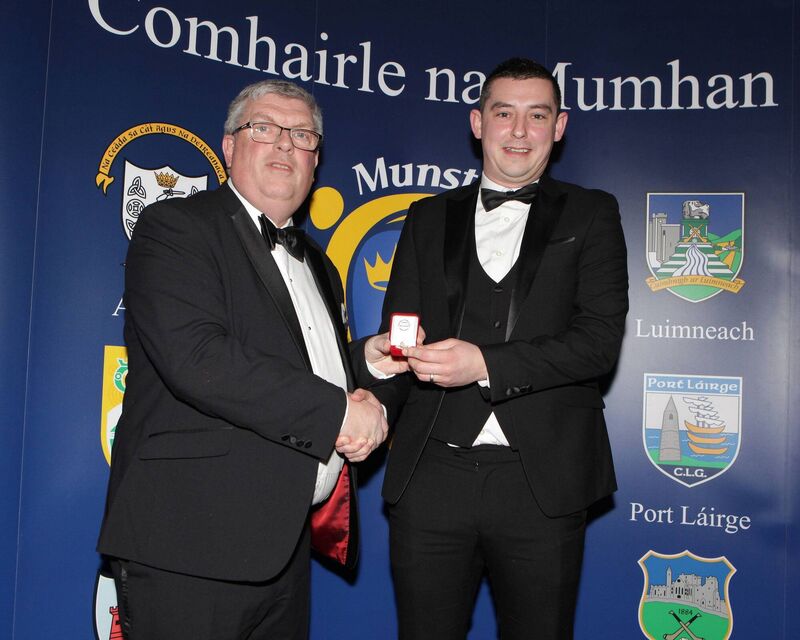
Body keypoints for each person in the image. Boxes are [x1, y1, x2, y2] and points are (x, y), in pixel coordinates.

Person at [97, 79, 388, 640]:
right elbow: (198, 357)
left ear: (316, 159)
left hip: (283, 549)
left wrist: (361, 363)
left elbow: (295, 365)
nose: (284, 144)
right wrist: (336, 413)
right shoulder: (176, 227)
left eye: (301, 135)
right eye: (264, 128)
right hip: (188, 544)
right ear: (229, 147)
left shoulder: (322, 267)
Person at [358, 57, 629, 639]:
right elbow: (401, 333)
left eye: (538, 115)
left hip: (542, 482)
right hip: (431, 477)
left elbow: (598, 343)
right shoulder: (428, 217)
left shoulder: (593, 213)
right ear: (478, 123)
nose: (520, 131)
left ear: (559, 127)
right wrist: (376, 395)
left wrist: (484, 364)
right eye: (504, 113)